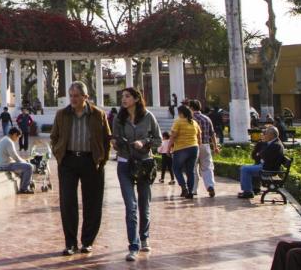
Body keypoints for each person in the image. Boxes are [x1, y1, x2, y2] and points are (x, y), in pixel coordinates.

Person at [50, 81, 111, 256]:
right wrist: (58, 153)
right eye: (71, 96)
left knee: (92, 202)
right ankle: (70, 243)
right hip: (68, 161)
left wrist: (102, 159)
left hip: (90, 161)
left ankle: (87, 241)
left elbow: (107, 139)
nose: (73, 99)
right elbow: (54, 136)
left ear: (86, 97)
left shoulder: (97, 114)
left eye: (77, 96)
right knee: (67, 202)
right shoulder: (62, 114)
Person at [112, 87, 161, 261]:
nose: (123, 99)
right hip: (125, 163)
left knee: (143, 203)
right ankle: (133, 245)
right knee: (130, 205)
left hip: (144, 163)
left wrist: (145, 142)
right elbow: (115, 137)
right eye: (122, 96)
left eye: (127, 96)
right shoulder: (119, 118)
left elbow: (158, 140)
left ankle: (144, 236)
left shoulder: (148, 117)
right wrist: (115, 143)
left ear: (136, 98)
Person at [238, 126, 286, 199]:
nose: (264, 135)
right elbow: (262, 154)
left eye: (266, 133)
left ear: (271, 135)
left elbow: (263, 155)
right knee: (245, 167)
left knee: (244, 169)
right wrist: (261, 154)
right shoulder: (274, 142)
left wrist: (261, 154)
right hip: (267, 166)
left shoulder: (276, 145)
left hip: (268, 169)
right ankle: (251, 189)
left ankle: (248, 192)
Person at [189, 99, 220, 198]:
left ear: (191, 108)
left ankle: (193, 189)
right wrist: (215, 147)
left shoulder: (190, 119)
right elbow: (212, 134)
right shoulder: (207, 118)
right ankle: (210, 185)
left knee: (193, 168)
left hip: (193, 145)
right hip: (206, 145)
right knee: (207, 167)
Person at [170, 104, 201, 199]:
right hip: (194, 148)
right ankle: (190, 192)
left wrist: (168, 148)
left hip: (181, 148)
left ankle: (184, 187)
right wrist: (198, 145)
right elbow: (200, 135)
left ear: (181, 113)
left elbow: (173, 136)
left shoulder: (178, 122)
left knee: (176, 168)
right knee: (190, 171)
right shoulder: (194, 123)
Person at [0, 127, 34, 194]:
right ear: (15, 134)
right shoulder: (9, 142)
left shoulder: (5, 139)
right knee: (29, 167)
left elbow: (14, 157)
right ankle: (24, 188)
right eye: (18, 137)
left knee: (25, 166)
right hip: (6, 165)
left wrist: (23, 161)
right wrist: (24, 162)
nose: (17, 139)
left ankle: (25, 185)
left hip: (3, 163)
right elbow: (15, 157)